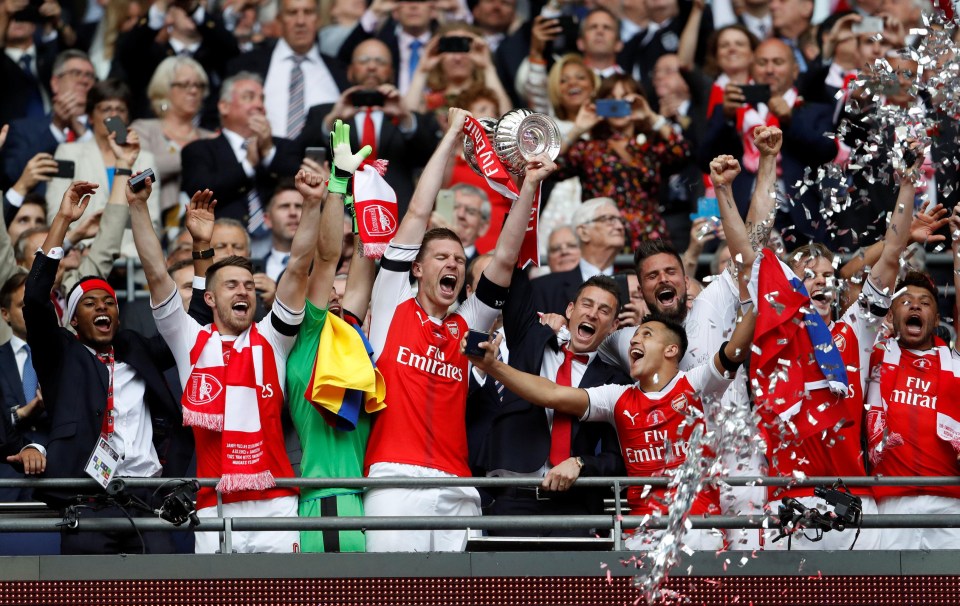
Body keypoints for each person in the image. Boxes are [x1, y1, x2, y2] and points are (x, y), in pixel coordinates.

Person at [131, 128, 333, 554]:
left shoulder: (273, 338)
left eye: (248, 285)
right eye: (230, 286)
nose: (243, 291)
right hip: (213, 504)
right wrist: (137, 208)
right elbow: (155, 272)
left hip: (277, 504)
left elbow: (297, 268)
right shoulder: (191, 339)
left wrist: (313, 204)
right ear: (208, 297)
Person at [361, 107, 550, 552]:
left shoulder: (470, 320)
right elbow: (418, 210)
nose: (452, 262)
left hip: (457, 482)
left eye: (459, 260)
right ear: (417, 268)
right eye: (441, 256)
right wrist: (450, 135)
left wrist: (530, 185)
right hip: (393, 479)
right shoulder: (392, 304)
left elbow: (504, 258)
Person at [467, 299, 757, 549]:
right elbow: (552, 393)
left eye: (646, 334)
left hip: (698, 529)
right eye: (634, 337)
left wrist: (757, 293)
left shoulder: (695, 384)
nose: (634, 341)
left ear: (670, 350)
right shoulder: (617, 397)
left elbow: (734, 350)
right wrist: (495, 367)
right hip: (641, 534)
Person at [20, 179, 190, 555]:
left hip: (148, 500)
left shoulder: (135, 349)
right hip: (87, 499)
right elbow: (34, 300)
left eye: (109, 302)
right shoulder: (60, 354)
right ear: (73, 320)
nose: (102, 308)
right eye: (90, 303)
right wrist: (63, 220)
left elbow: (188, 332)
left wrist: (203, 255)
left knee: (163, 591)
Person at [475, 271, 630, 536]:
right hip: (512, 502)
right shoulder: (531, 340)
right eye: (587, 304)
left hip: (574, 509)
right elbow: (515, 274)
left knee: (570, 580)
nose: (593, 314)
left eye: (604, 311)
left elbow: (618, 460)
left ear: (614, 326)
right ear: (570, 309)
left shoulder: (616, 381)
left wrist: (582, 463)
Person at [284, 167, 378, 552]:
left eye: (343, 298)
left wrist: (362, 206)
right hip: (326, 501)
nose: (337, 299)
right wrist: (336, 187)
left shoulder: (352, 343)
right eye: (329, 298)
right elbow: (325, 261)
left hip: (370, 502)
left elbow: (363, 271)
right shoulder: (309, 339)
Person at [293, 38, 438, 215]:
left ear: (391, 73)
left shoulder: (407, 117)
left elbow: (430, 158)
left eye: (380, 61)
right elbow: (299, 155)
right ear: (350, 72)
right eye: (363, 61)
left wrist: (405, 117)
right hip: (338, 213)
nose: (371, 67)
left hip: (396, 213)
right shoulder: (323, 113)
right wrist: (332, 119)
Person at [554, 73, 690, 248]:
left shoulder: (650, 147)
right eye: (611, 100)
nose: (618, 105)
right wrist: (578, 129)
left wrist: (650, 116)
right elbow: (550, 167)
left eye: (626, 99)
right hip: (603, 241)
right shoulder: (588, 149)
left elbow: (683, 152)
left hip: (649, 241)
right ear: (601, 105)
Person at [180, 72, 301, 258]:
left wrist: (268, 152)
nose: (259, 105)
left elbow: (299, 184)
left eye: (262, 99)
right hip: (222, 247)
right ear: (224, 106)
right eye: (248, 97)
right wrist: (248, 165)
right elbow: (200, 191)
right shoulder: (200, 150)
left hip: (281, 247)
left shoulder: (283, 147)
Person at [45, 79, 162, 259]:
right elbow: (56, 211)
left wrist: (127, 254)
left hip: (131, 262)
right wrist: (84, 247)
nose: (114, 116)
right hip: (80, 256)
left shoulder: (145, 160)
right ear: (91, 116)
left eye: (120, 110)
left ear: (127, 117)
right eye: (106, 109)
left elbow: (153, 220)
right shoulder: (67, 153)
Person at [225, 0, 349, 138]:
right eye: (292, 13)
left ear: (318, 18)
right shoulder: (246, 64)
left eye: (308, 12)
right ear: (279, 19)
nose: (300, 21)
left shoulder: (341, 71)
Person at [111, 0, 239, 126]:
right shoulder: (152, 54)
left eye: (200, 5)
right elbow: (128, 51)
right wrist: (161, 5)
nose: (188, 12)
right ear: (170, 14)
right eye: (181, 6)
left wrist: (193, 9)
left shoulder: (216, 54)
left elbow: (232, 49)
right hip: (156, 133)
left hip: (205, 133)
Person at [131, 57, 216, 231]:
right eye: (185, 85)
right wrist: (195, 155)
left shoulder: (210, 137)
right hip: (151, 224)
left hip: (203, 228)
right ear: (165, 88)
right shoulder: (142, 129)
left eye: (198, 85)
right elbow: (139, 176)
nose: (193, 91)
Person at [2, 50, 95, 196]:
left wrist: (83, 134)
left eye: (89, 75)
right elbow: (11, 175)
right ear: (55, 83)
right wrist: (56, 127)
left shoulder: (105, 133)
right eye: (76, 73)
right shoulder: (23, 129)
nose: (84, 80)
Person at [531, 198, 625, 315]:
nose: (620, 227)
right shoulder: (543, 288)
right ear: (583, 232)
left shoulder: (634, 285)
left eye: (621, 221)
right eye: (609, 219)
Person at [404, 23, 513, 115]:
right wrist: (422, 70)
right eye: (450, 48)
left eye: (464, 48)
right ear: (438, 52)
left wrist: (487, 67)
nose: (458, 58)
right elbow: (407, 121)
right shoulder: (429, 101)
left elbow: (506, 122)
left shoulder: (486, 99)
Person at [0, 272, 43, 502]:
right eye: (23, 305)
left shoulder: (64, 357)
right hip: (8, 480)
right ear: (5, 313)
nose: (31, 311)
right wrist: (22, 412)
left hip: (57, 478)